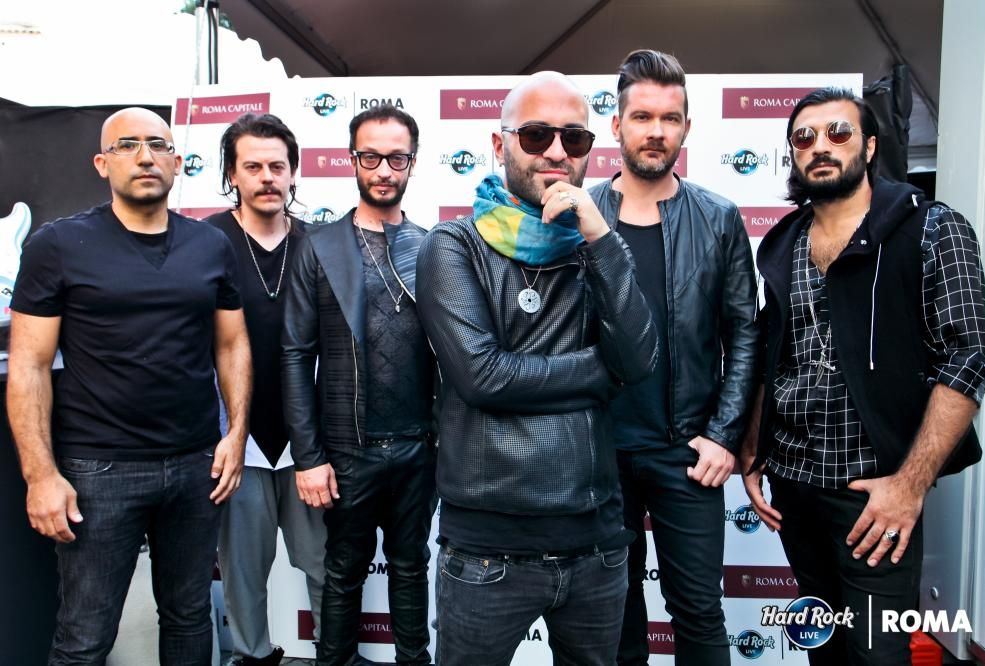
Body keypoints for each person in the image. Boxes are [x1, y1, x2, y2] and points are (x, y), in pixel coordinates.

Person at [740, 87, 985, 665]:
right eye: (804, 137)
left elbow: (969, 357)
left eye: (838, 132)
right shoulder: (783, 242)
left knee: (878, 654)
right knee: (824, 649)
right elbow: (771, 354)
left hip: (875, 495)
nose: (820, 146)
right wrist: (753, 449)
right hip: (794, 487)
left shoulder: (931, 228)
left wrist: (909, 486)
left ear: (870, 146)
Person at [416, 71, 658, 666]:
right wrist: (601, 372)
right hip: (489, 549)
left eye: (573, 138)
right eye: (535, 135)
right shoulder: (454, 245)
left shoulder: (595, 246)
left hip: (597, 543)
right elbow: (484, 378)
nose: (555, 151)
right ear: (499, 145)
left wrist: (600, 238)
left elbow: (640, 360)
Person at [7, 107, 251, 665]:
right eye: (127, 145)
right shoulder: (57, 245)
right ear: (102, 163)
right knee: (85, 637)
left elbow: (232, 344)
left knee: (190, 618)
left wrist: (235, 435)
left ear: (177, 162)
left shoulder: (211, 245)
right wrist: (40, 476)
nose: (145, 157)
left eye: (158, 145)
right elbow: (29, 365)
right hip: (99, 469)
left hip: (195, 466)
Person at [589, 49, 758, 666]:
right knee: (613, 618)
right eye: (642, 117)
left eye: (670, 118)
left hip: (688, 452)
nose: (656, 131)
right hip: (598, 452)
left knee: (699, 613)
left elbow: (745, 333)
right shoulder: (580, 213)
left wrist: (723, 435)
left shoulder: (718, 218)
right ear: (617, 125)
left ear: (687, 127)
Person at [282, 104, 436, 666]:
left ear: (412, 162)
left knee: (411, 566)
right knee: (343, 569)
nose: (383, 170)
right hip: (348, 451)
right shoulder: (318, 246)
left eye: (396, 158)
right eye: (370, 157)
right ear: (352, 160)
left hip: (418, 447)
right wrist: (308, 457)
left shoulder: (432, 246)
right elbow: (295, 355)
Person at [204, 113, 323, 666]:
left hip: (308, 444)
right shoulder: (205, 242)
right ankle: (252, 657)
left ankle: (335, 653)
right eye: (252, 166)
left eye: (277, 166)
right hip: (236, 441)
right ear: (232, 173)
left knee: (323, 564)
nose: (267, 177)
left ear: (294, 172)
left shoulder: (319, 244)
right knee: (243, 571)